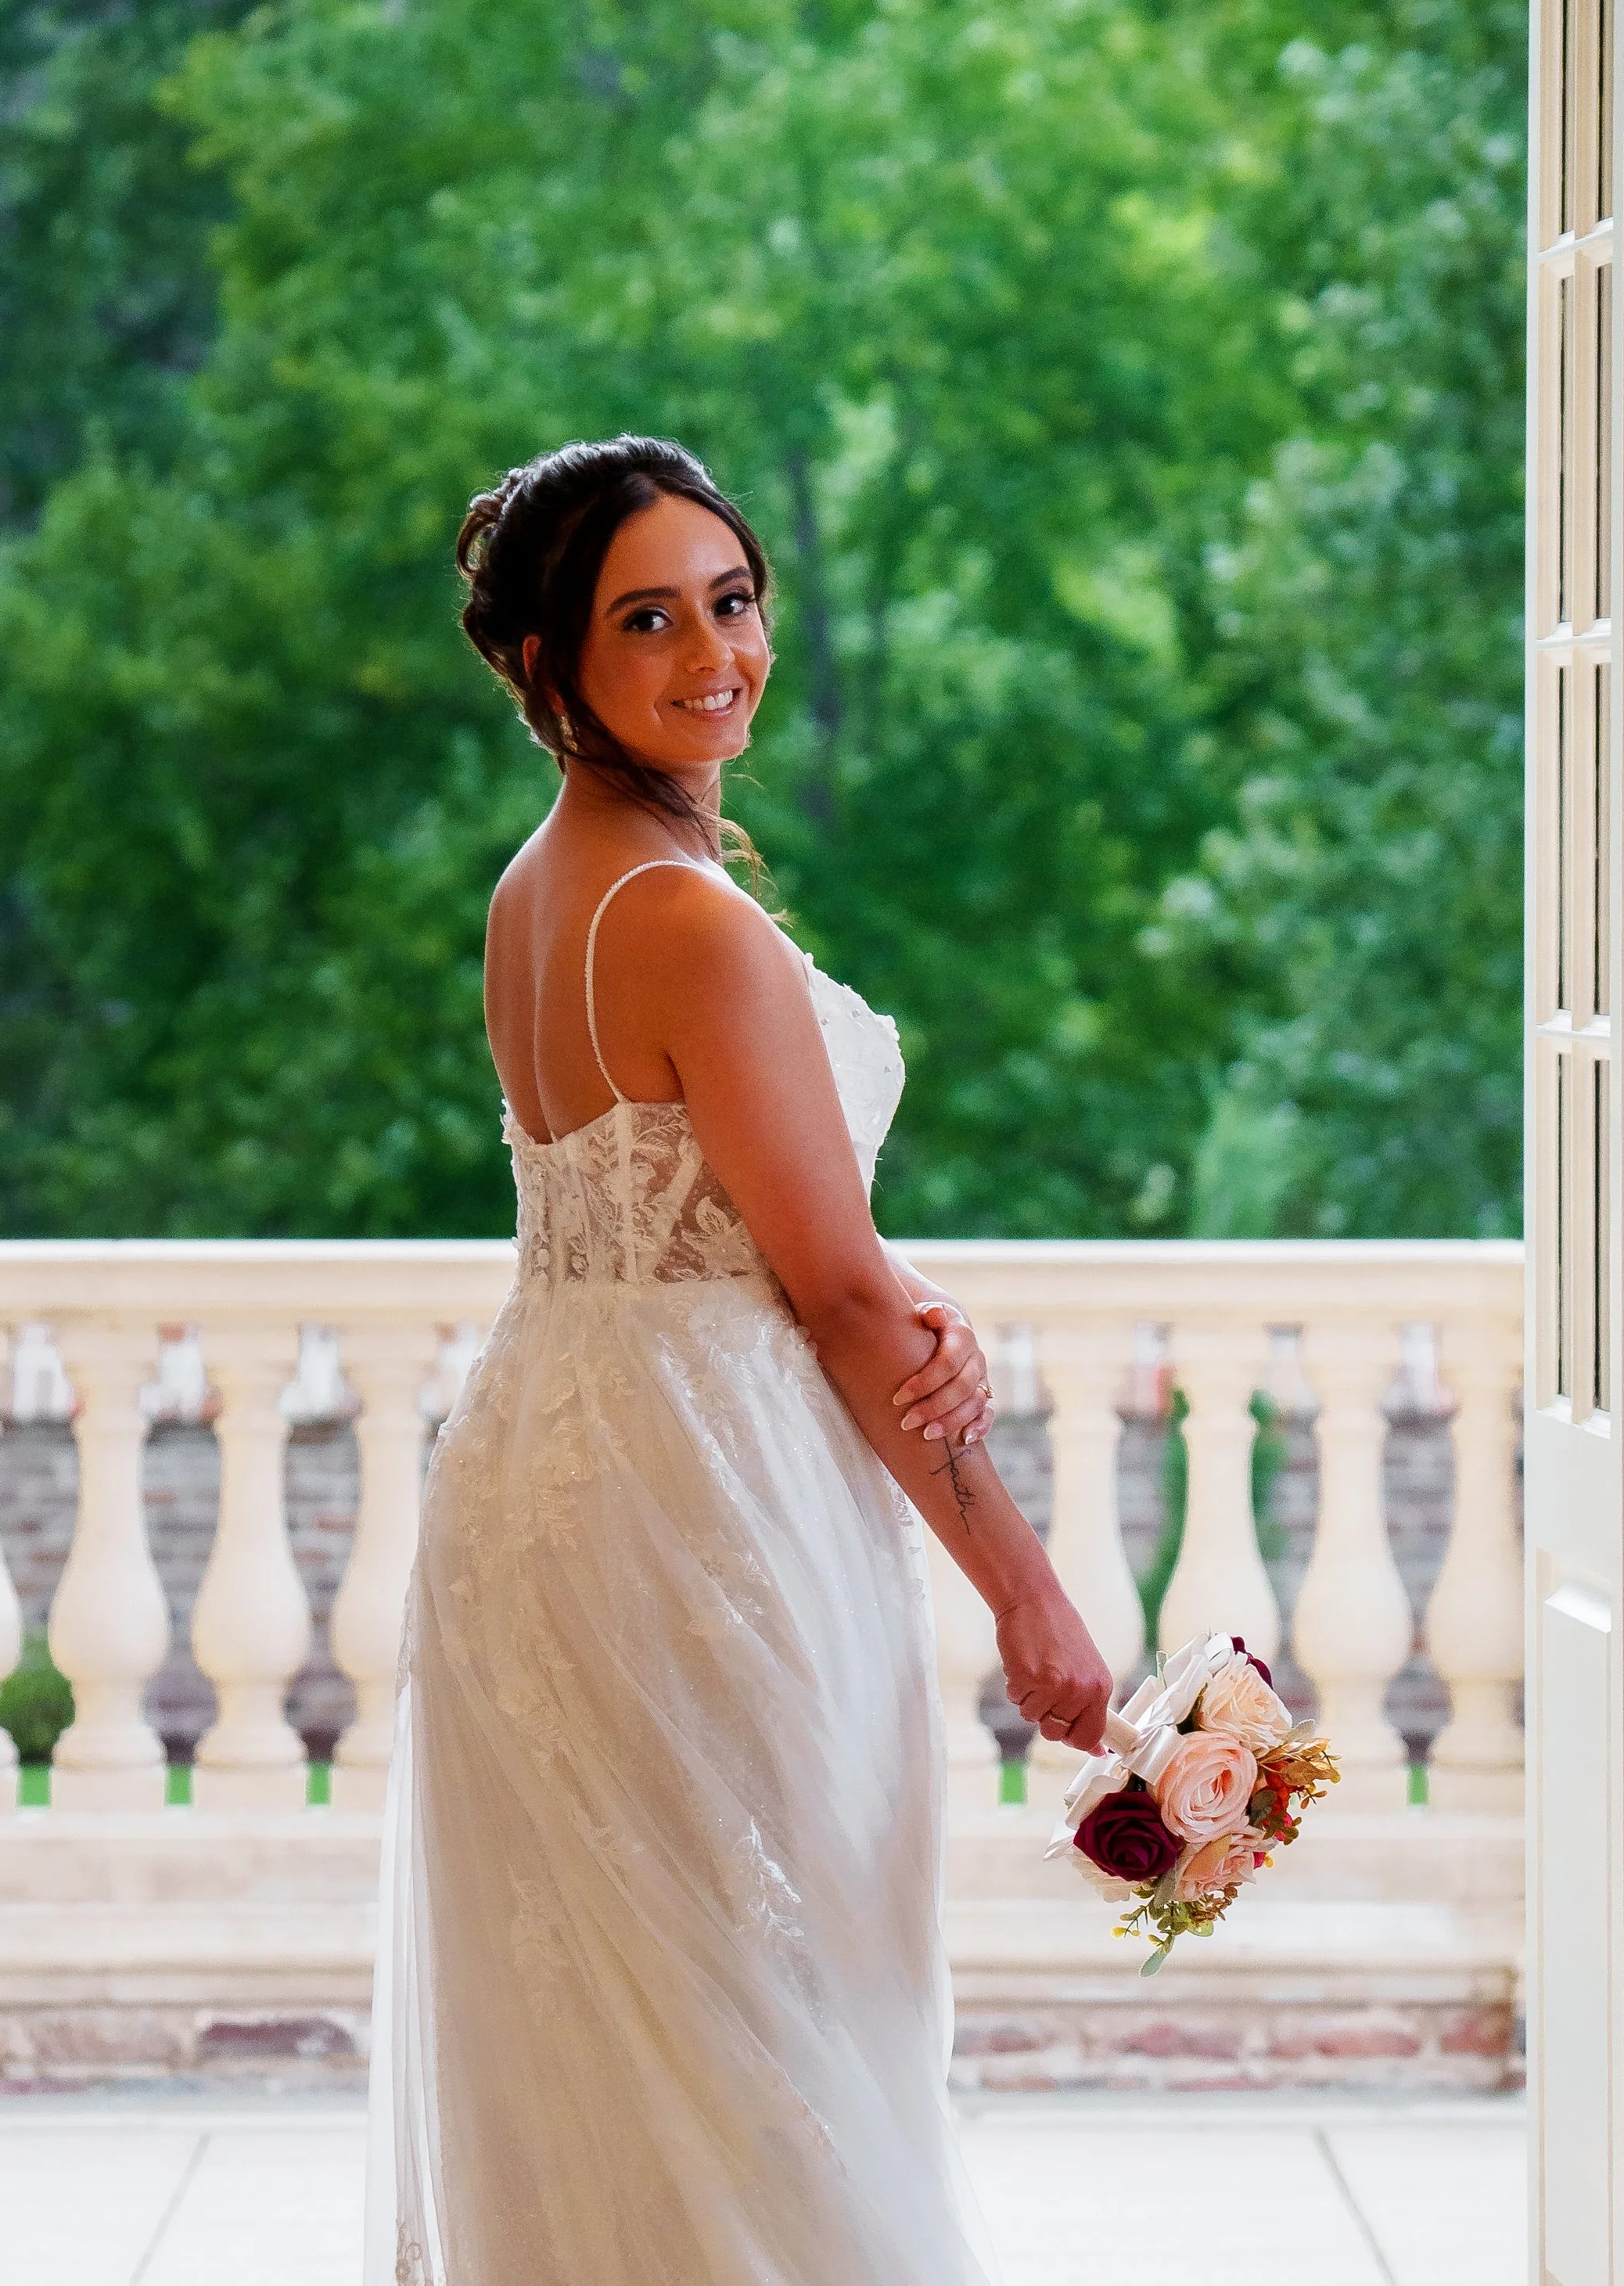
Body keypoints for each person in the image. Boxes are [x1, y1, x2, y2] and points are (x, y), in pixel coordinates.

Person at [365, 436, 1113, 2286]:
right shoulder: (681, 918)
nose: (716, 651)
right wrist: (1034, 1604)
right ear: (547, 667)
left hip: (547, 1459)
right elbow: (831, 1302)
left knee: (628, 2025)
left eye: (732, 598)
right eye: (648, 619)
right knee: (766, 2021)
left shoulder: (535, 891)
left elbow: (708, 1224)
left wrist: (878, 1282)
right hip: (701, 1503)